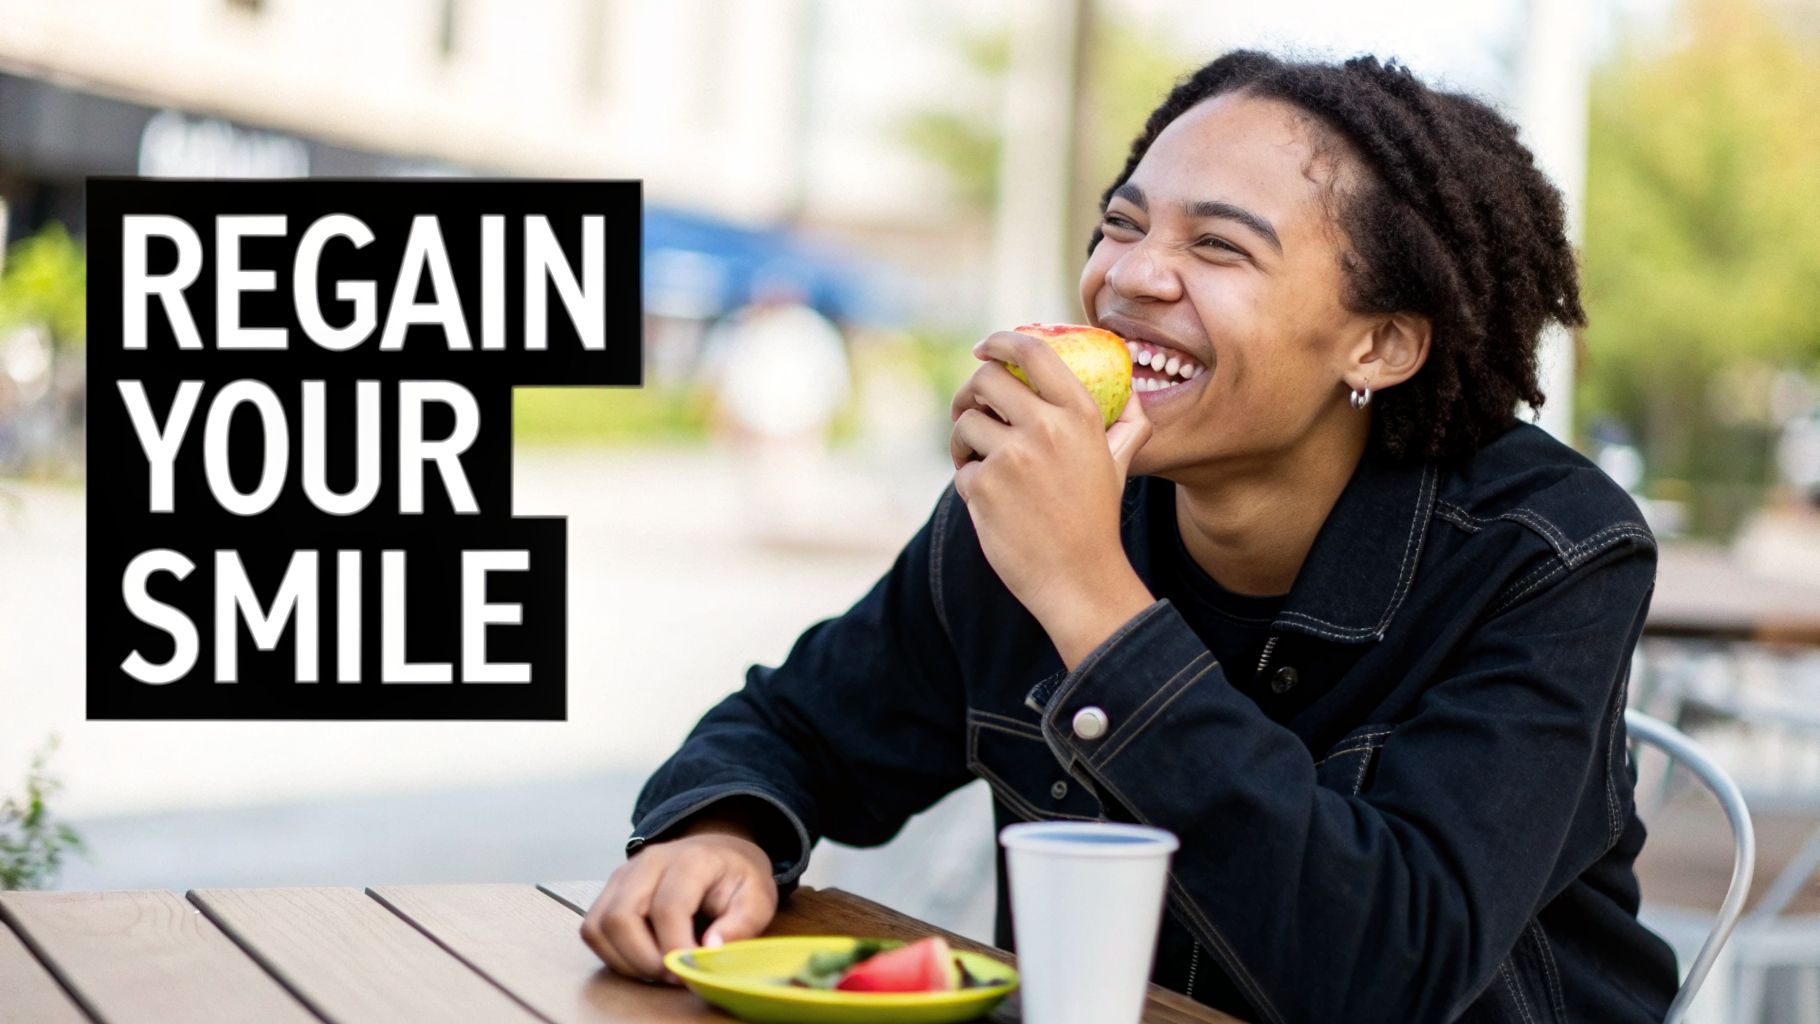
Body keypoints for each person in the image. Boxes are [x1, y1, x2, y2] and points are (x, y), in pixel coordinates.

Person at [582, 51, 1680, 1023]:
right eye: (1121, 223)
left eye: (1218, 246)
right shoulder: (1024, 504)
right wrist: (719, 829)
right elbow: (797, 724)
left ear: (1379, 345)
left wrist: (1089, 599)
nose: (1131, 276)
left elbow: (1386, 973)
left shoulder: (1546, 551)